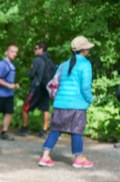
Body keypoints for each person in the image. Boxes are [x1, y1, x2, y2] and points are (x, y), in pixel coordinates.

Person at [38, 36, 95, 168]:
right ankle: (79, 159)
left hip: (60, 104)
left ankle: (45, 156)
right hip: (77, 105)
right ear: (84, 50)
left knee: (55, 130)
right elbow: (85, 87)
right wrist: (90, 99)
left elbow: (56, 83)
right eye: (87, 48)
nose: (89, 50)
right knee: (76, 131)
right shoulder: (85, 64)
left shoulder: (64, 64)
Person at [16, 42, 54, 137]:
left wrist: (29, 71)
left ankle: (24, 128)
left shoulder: (37, 60)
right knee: (45, 109)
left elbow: (31, 74)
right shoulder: (49, 61)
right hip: (46, 88)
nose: (34, 50)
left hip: (36, 88)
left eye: (36, 48)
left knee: (25, 107)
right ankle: (44, 130)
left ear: (41, 49)